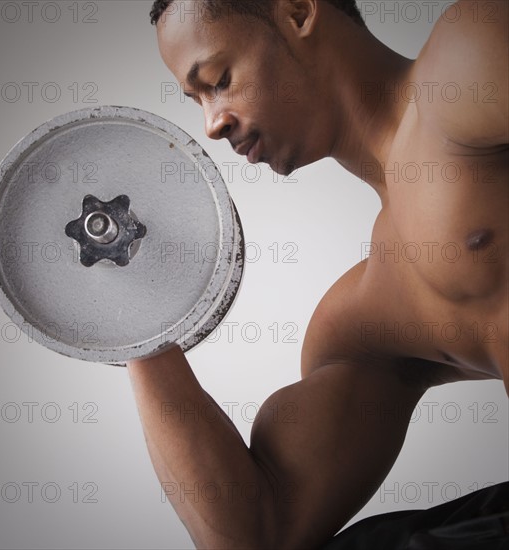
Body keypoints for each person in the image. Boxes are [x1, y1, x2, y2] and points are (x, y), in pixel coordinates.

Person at [127, 1, 509, 547]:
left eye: (218, 80)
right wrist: (132, 319)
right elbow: (257, 536)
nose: (213, 123)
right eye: (198, 101)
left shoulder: (468, 55)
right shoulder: (363, 322)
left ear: (300, 12)